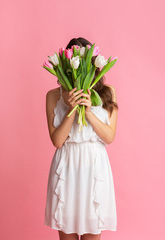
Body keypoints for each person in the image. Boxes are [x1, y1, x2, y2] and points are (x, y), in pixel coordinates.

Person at [44, 37, 119, 240]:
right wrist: (70, 109)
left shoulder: (107, 93)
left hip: (94, 167)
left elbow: (109, 137)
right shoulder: (53, 95)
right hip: (67, 167)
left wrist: (87, 112)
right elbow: (57, 141)